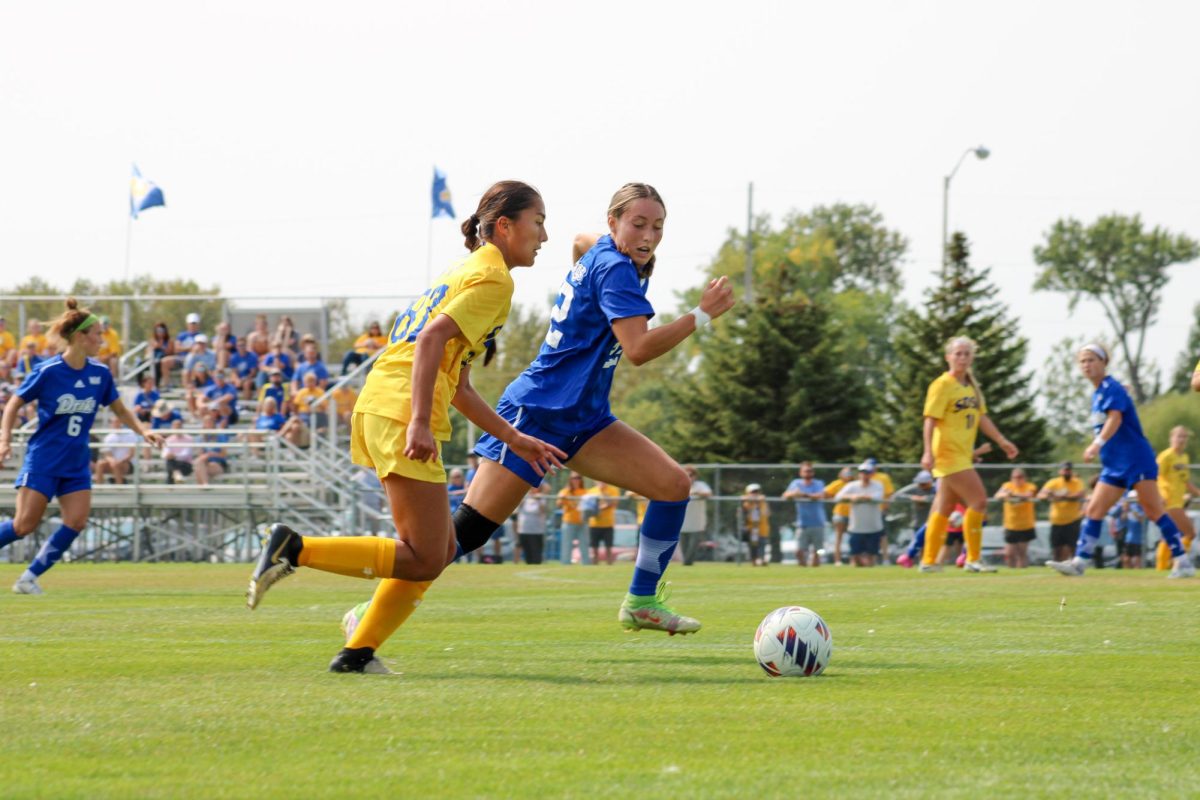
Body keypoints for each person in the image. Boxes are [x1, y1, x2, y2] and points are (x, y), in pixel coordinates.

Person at [246, 180, 565, 674]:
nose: (544, 235)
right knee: (424, 557)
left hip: (383, 404)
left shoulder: (464, 270)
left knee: (431, 553)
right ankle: (295, 549)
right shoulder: (495, 278)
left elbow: (457, 384)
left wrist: (515, 438)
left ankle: (356, 654)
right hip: (400, 410)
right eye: (538, 222)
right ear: (505, 226)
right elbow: (431, 341)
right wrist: (418, 420)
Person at [0, 299, 163, 594]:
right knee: (23, 526)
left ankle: (28, 579)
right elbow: (14, 403)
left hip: (76, 462)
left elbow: (119, 409)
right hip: (45, 459)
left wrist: (143, 430)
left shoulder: (99, 374)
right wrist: (4, 441)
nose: (102, 340)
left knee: (76, 521)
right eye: (97, 334)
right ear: (79, 337)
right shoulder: (49, 371)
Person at [1047, 344, 1195, 578]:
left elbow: (1115, 418)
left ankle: (1183, 561)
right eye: (1083, 361)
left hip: (1136, 459)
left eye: (1092, 359)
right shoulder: (1101, 392)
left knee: (1154, 510)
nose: (1087, 364)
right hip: (1114, 465)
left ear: (1104, 362)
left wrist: (1097, 443)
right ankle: (1079, 562)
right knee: (1094, 509)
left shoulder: (1110, 387)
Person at [919, 336, 1019, 573]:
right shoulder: (942, 384)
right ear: (948, 357)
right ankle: (973, 559)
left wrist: (1002, 441)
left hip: (962, 455)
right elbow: (930, 420)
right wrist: (927, 452)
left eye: (966, 353)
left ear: (972, 357)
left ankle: (929, 561)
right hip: (947, 453)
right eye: (958, 353)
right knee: (979, 501)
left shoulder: (971, 387)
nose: (962, 358)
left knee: (943, 508)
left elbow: (982, 418)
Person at [1153, 426, 1198, 570]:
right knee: (1190, 533)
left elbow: (1186, 481)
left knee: (1172, 534)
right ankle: (1177, 563)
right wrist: (1159, 495)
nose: (1182, 439)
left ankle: (1166, 564)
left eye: (1184, 436)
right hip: (1168, 500)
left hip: (1179, 502)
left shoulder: (1184, 458)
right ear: (1171, 438)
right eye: (1179, 436)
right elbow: (1153, 476)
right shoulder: (1166, 456)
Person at [836, 463, 886, 567]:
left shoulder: (878, 485)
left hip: (873, 527)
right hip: (856, 527)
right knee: (855, 556)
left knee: (871, 556)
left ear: (871, 474)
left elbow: (877, 498)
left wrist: (859, 497)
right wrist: (852, 497)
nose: (864, 475)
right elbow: (838, 497)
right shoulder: (852, 486)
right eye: (862, 472)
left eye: (867, 473)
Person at [1038, 462, 1086, 563]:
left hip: (1072, 520)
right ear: (1060, 471)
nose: (1066, 472)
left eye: (1068, 470)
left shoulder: (1077, 482)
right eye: (1064, 470)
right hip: (1056, 521)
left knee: (1073, 547)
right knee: (1057, 548)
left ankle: (1074, 566)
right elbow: (1041, 495)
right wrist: (1056, 495)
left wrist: (1057, 495)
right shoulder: (1053, 482)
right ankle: (1057, 567)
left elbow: (1079, 494)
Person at [783, 462, 826, 567]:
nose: (807, 473)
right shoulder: (796, 483)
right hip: (802, 523)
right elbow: (785, 496)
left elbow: (820, 495)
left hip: (818, 522)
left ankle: (815, 571)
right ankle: (803, 569)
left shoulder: (818, 483)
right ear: (800, 473)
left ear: (813, 472)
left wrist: (803, 494)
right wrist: (794, 494)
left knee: (818, 550)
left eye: (810, 471)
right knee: (799, 551)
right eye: (805, 471)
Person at [995, 467, 1037, 568]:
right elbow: (998, 495)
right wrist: (1007, 494)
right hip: (1010, 525)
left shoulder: (1030, 486)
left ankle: (1022, 574)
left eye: (1020, 477)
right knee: (1010, 554)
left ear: (1024, 478)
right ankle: (1011, 573)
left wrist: (1012, 494)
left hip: (1025, 525)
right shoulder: (1007, 485)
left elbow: (1028, 495)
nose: (1017, 479)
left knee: (1022, 553)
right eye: (1015, 477)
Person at [894, 470, 936, 568]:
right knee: (919, 544)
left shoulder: (935, 489)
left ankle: (927, 561)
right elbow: (897, 495)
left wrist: (925, 499)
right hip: (917, 522)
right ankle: (921, 562)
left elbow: (939, 497)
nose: (922, 486)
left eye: (924, 484)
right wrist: (913, 498)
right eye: (920, 484)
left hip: (933, 521)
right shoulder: (915, 488)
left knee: (929, 544)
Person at [679, 465, 713, 566]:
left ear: (695, 476)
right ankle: (686, 562)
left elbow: (708, 493)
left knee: (693, 545)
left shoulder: (700, 485)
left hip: (697, 521)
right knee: (683, 545)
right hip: (682, 520)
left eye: (691, 475)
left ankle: (687, 563)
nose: (689, 477)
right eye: (686, 474)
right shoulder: (679, 484)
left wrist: (696, 492)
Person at [586, 478, 621, 565]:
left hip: (608, 524)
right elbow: (589, 507)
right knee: (594, 548)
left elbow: (613, 504)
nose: (601, 481)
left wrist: (603, 492)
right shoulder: (591, 491)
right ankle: (594, 566)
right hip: (594, 524)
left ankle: (609, 565)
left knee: (608, 548)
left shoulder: (614, 490)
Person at [557, 472, 590, 565]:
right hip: (568, 522)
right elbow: (558, 505)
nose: (576, 480)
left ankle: (586, 565)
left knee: (584, 545)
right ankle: (565, 564)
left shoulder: (585, 492)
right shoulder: (565, 491)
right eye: (574, 478)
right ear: (570, 480)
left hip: (582, 522)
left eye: (578, 478)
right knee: (567, 545)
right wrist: (562, 498)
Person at [94, 417, 139, 485]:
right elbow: (107, 454)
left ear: (122, 423)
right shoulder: (108, 437)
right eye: (113, 422)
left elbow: (131, 454)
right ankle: (99, 488)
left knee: (116, 465)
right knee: (100, 464)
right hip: (113, 463)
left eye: (117, 422)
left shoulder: (130, 434)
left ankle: (119, 488)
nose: (115, 424)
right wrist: (113, 461)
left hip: (128, 464)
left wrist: (118, 462)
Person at [824, 466, 854, 565]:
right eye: (845, 473)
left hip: (853, 514)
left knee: (853, 538)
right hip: (840, 513)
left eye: (849, 473)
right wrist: (833, 498)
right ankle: (837, 560)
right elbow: (825, 493)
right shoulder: (837, 484)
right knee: (838, 537)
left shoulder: (855, 484)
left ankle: (853, 560)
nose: (848, 475)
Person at [514, 484, 549, 564]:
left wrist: (538, 500)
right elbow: (517, 509)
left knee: (536, 555)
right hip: (524, 530)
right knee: (527, 554)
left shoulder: (541, 498)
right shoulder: (524, 497)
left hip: (537, 531)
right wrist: (524, 498)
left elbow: (543, 510)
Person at [740, 483, 770, 566]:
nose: (755, 493)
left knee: (762, 545)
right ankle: (754, 561)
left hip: (763, 528)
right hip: (752, 528)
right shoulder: (747, 502)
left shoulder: (763, 502)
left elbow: (767, 513)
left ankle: (761, 559)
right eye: (753, 492)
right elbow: (744, 501)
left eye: (756, 491)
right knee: (753, 547)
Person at [163, 418, 196, 484]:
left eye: (179, 425)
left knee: (170, 463)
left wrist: (174, 456)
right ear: (172, 427)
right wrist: (169, 456)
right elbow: (164, 454)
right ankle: (176, 475)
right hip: (173, 462)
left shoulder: (189, 439)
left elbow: (186, 454)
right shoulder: (168, 440)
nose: (177, 428)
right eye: (175, 426)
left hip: (185, 465)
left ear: (182, 427)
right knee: (170, 462)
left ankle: (170, 484)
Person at [147, 321, 178, 388]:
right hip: (152, 359)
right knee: (141, 365)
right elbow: (147, 352)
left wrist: (161, 347)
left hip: (163, 359)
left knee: (157, 365)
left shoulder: (169, 341)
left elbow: (171, 352)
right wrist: (154, 347)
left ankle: (156, 386)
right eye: (158, 330)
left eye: (162, 330)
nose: (160, 332)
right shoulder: (152, 340)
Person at [1121, 491, 1145, 569]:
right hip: (1128, 538)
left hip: (1138, 539)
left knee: (1137, 558)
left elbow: (1142, 520)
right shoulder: (1128, 509)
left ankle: (1137, 572)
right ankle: (1126, 573)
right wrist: (1125, 510)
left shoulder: (1141, 508)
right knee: (1126, 558)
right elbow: (1123, 519)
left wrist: (1134, 511)